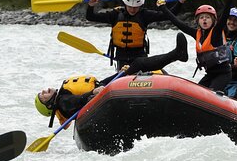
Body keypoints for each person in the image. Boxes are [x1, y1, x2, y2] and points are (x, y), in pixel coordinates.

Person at [35, 32, 189, 124]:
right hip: (98, 97)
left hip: (101, 89)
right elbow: (79, 100)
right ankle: (177, 55)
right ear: (49, 105)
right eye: (43, 95)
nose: (45, 90)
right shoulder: (63, 102)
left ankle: (177, 56)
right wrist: (93, 93)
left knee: (138, 66)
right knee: (140, 63)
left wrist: (119, 73)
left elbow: (97, 87)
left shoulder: (63, 96)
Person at [86, 0, 189, 69]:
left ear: (140, 5)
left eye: (136, 7)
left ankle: (176, 54)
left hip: (139, 57)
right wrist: (91, 5)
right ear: (125, 3)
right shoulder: (115, 14)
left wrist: (180, 1)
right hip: (121, 58)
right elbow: (90, 17)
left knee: (141, 65)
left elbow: (169, 15)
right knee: (127, 73)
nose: (132, 9)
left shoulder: (145, 15)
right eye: (130, 6)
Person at [156, 0, 236, 91]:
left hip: (223, 74)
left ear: (213, 20)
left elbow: (224, 17)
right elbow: (177, 22)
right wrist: (163, 7)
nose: (204, 19)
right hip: (210, 74)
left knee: (211, 94)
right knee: (196, 91)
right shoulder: (197, 33)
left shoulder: (216, 32)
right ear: (198, 21)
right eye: (201, 17)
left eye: (207, 17)